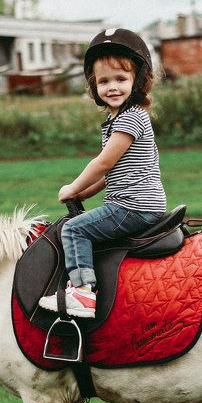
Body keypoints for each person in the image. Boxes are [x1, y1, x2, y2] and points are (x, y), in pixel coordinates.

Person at [38, 28, 167, 319]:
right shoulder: (115, 120)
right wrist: (84, 193)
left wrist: (72, 187)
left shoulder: (132, 118)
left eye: (121, 79)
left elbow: (103, 164)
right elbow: (111, 175)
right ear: (94, 85)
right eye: (104, 81)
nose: (112, 87)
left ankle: (83, 293)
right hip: (131, 203)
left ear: (137, 81)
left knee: (74, 229)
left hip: (133, 206)